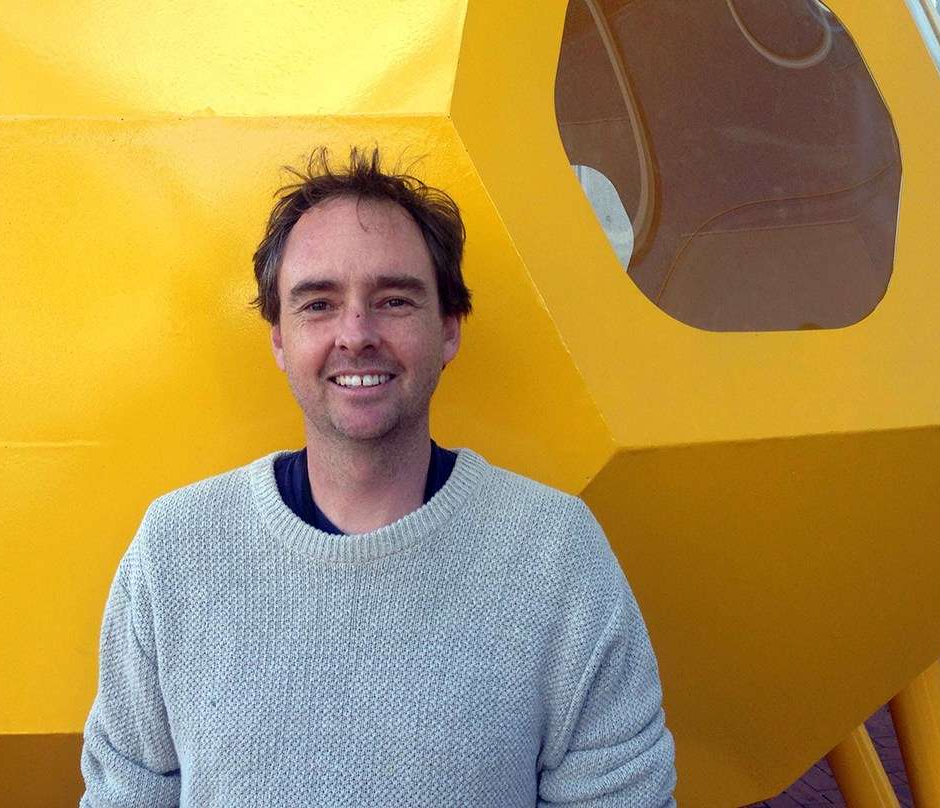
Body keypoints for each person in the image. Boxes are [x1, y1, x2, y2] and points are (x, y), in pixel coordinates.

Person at [80, 147, 676, 807]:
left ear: (448, 330)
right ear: (278, 340)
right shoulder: (175, 550)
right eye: (318, 304)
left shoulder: (555, 553)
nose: (356, 334)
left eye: (393, 300)